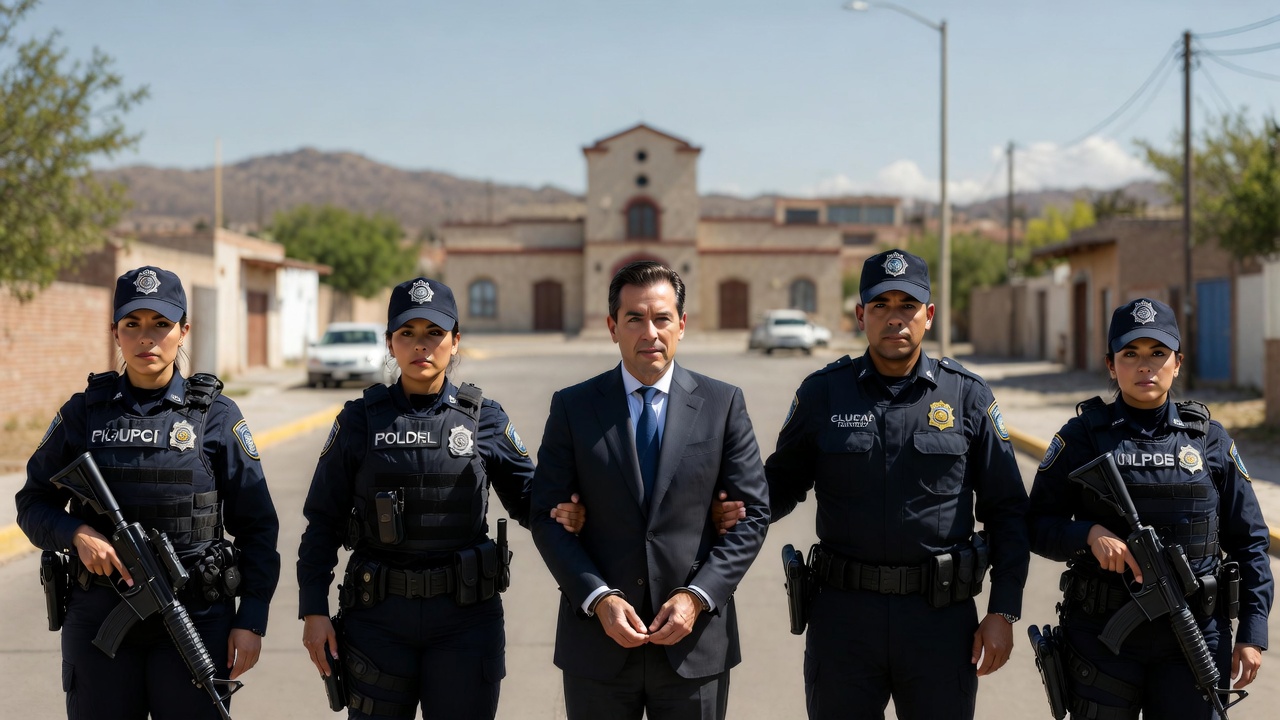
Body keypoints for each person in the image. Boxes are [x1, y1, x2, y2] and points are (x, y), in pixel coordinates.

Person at [296, 277, 585, 720]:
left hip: (465, 621)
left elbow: (531, 500)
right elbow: (323, 521)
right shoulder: (358, 421)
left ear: (455, 340)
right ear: (390, 343)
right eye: (407, 333)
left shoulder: (485, 418)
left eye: (434, 332)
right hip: (377, 621)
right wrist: (313, 610)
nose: (421, 345)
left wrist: (572, 509)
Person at [762, 248, 1030, 719]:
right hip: (844, 621)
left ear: (929, 315)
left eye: (907, 305)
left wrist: (1003, 610)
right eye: (880, 305)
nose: (894, 318)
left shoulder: (966, 396)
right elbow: (779, 485)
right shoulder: (823, 393)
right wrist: (729, 506)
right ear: (860, 315)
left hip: (940, 623)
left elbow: (1007, 510)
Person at [15, 266, 281, 719]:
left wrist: (252, 618)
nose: (146, 338)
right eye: (132, 324)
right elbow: (32, 503)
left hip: (194, 615)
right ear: (115, 333)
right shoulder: (83, 413)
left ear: (183, 331)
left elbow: (258, 526)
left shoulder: (215, 416)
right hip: (100, 614)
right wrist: (76, 533)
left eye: (161, 323)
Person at [529, 260, 771, 720]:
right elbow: (545, 515)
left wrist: (698, 597)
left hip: (694, 643)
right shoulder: (573, 407)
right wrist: (597, 597)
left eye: (662, 318)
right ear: (612, 327)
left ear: (681, 324)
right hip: (598, 642)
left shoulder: (722, 404)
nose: (650, 333)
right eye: (635, 319)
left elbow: (754, 514)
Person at [1026, 297, 1273, 719]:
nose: (1146, 366)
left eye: (1158, 353)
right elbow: (1035, 524)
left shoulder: (1209, 439)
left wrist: (1252, 631)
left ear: (1178, 363)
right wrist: (1087, 535)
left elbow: (1250, 541)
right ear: (1111, 365)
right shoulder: (1082, 436)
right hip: (1102, 636)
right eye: (1130, 354)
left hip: (1194, 634)